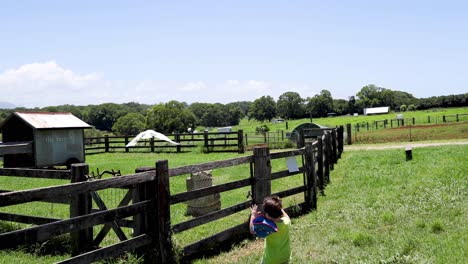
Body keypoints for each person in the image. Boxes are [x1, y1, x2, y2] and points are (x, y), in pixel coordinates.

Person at [250, 195, 291, 264]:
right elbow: (287, 217)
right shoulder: (286, 222)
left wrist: (253, 215)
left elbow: (252, 230)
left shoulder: (268, 227)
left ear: (268, 215)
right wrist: (278, 208)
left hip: (271, 259)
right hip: (285, 256)